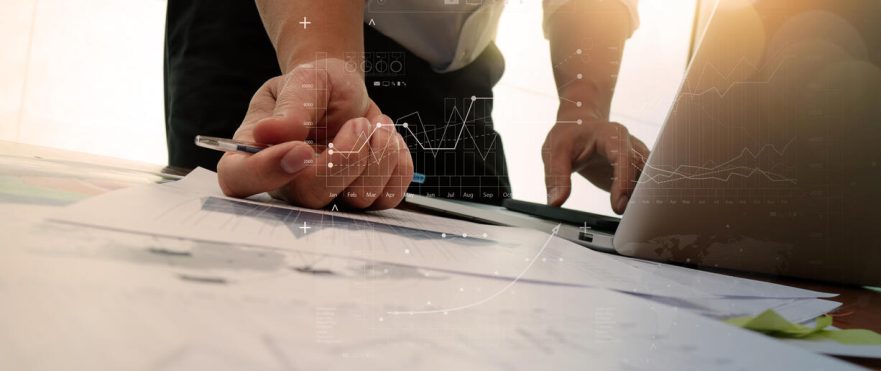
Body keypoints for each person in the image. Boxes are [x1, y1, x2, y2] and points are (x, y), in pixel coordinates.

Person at [165, 0, 649, 213]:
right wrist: (321, 63)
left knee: (471, 242)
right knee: (241, 232)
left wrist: (583, 107)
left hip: (459, 68)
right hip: (277, 25)